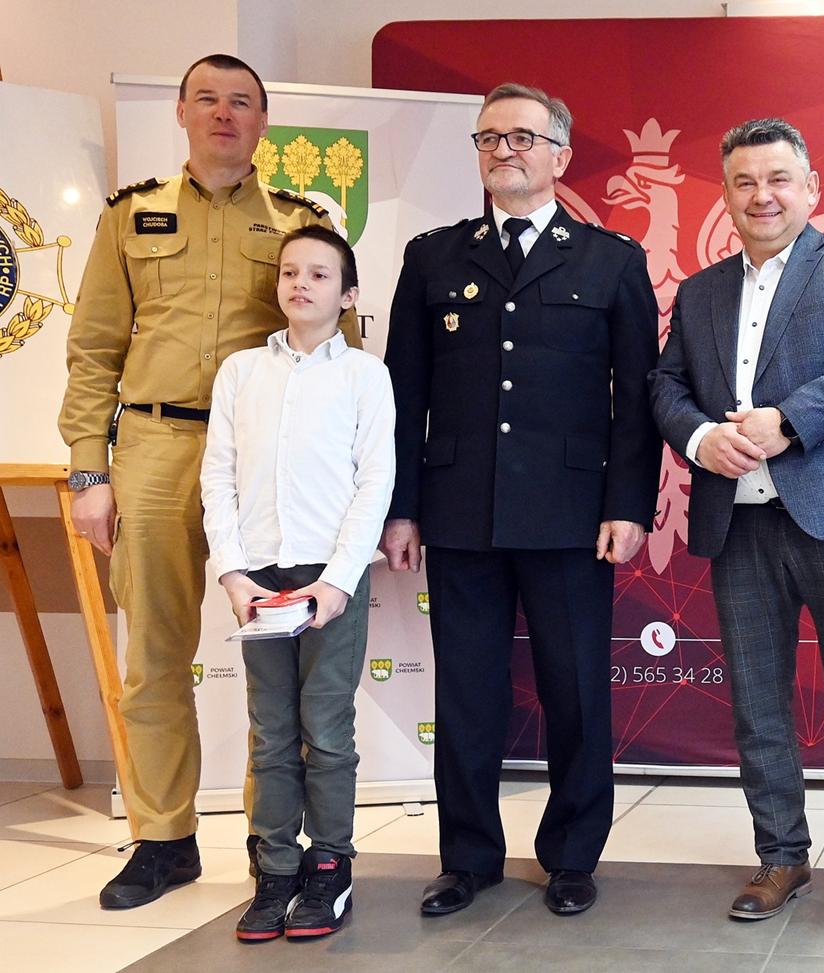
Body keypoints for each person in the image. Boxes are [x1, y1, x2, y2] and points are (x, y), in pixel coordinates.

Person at [58, 53, 360, 909]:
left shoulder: (301, 223)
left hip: (265, 455)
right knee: (154, 654)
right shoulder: (131, 216)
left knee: (275, 657)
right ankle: (163, 838)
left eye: (241, 102)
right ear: (181, 113)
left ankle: (274, 844)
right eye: (207, 99)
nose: (224, 113)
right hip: (155, 447)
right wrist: (89, 468)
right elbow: (93, 352)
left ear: (264, 122)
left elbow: (340, 351)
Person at [381, 83, 659, 918]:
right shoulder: (433, 257)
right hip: (460, 508)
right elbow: (405, 391)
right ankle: (468, 857)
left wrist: (628, 504)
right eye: (490, 137)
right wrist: (401, 506)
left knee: (576, 689)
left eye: (524, 137)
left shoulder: (612, 261)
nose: (505, 149)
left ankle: (572, 855)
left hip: (572, 514)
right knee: (467, 692)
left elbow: (636, 398)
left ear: (560, 156)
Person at [650, 117, 824, 948]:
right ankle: (781, 855)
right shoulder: (700, 291)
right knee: (758, 703)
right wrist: (702, 437)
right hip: (737, 522)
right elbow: (665, 386)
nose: (761, 195)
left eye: (777, 179)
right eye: (744, 182)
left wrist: (786, 421)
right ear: (726, 195)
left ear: (810, 188)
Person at [199, 226, 394, 940]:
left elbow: (374, 482)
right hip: (258, 581)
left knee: (327, 729)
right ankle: (275, 868)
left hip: (328, 579)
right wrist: (233, 573)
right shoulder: (241, 372)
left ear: (347, 295)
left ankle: (329, 865)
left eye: (319, 274)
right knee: (272, 731)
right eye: (290, 272)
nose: (301, 284)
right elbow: (217, 476)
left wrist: (338, 581)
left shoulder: (364, 375)